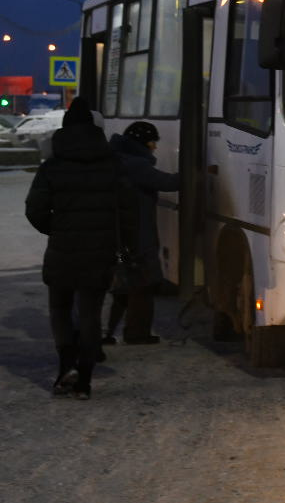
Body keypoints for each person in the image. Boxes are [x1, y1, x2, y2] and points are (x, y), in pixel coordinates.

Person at [26, 98, 136, 400]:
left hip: (63, 249)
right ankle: (85, 380)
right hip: (100, 253)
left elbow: (34, 209)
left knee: (60, 309)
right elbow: (129, 211)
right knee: (89, 314)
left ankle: (65, 366)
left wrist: (56, 228)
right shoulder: (113, 166)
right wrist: (126, 245)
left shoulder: (52, 166)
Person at [104, 121, 181, 345]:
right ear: (141, 143)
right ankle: (137, 333)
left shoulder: (118, 158)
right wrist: (194, 171)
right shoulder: (135, 164)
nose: (154, 148)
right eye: (151, 143)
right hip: (137, 232)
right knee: (143, 284)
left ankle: (109, 332)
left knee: (123, 287)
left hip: (123, 231)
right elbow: (167, 182)